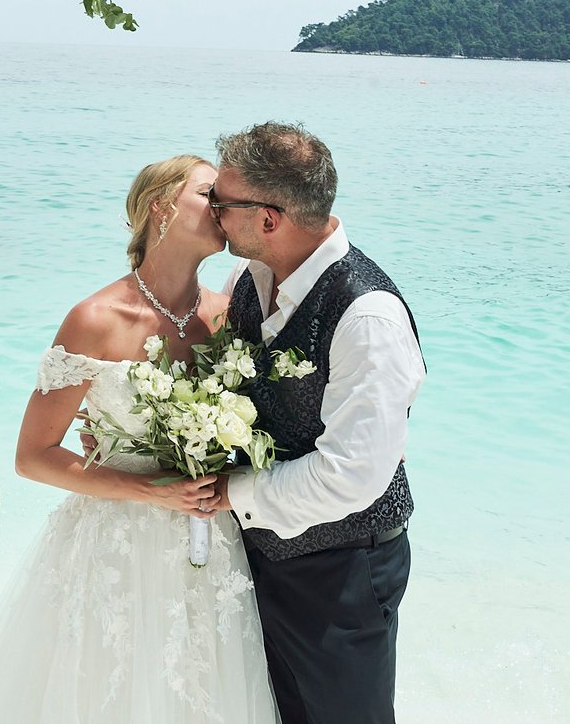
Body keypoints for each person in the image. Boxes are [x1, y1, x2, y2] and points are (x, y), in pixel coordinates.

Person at [0, 155, 279, 724]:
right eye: (208, 195)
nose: (223, 209)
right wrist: (152, 492)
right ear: (159, 206)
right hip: (113, 547)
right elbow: (33, 457)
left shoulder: (228, 316)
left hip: (210, 544)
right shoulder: (94, 318)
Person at [207, 122, 426, 724]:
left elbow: (351, 477)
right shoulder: (246, 282)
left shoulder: (367, 317)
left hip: (344, 574)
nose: (213, 213)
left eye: (222, 203)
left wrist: (231, 493)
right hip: (256, 559)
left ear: (269, 218)